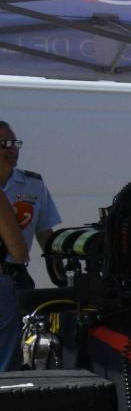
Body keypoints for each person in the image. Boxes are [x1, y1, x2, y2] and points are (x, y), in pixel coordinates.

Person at [0, 119, 59, 372]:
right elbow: (17, 247)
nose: (13, 149)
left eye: (16, 142)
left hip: (15, 275)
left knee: (16, 345)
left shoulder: (33, 184)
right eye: (5, 143)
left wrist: (59, 275)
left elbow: (46, 234)